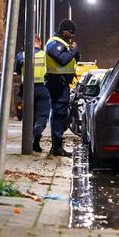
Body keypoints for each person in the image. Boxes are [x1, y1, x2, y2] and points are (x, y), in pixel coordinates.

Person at [44, 20, 81, 156]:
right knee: (59, 114)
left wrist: (75, 53)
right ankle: (57, 147)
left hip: (62, 83)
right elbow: (62, 59)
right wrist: (73, 51)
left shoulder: (63, 43)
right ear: (63, 29)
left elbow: (71, 59)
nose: (71, 35)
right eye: (70, 32)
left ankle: (57, 146)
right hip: (56, 82)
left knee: (61, 114)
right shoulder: (54, 43)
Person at [15, 36, 50, 153]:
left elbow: (18, 70)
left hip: (27, 89)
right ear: (39, 44)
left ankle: (30, 141)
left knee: (29, 116)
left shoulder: (22, 55)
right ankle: (37, 136)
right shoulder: (45, 55)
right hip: (43, 89)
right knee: (42, 116)